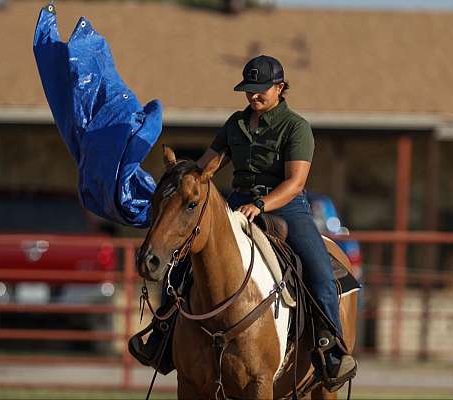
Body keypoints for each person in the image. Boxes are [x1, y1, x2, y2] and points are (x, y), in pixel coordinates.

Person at [131, 55, 357, 391]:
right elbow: (206, 167)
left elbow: (295, 182)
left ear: (279, 87)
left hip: (287, 208)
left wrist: (262, 204)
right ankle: (162, 335)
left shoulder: (296, 128)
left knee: (320, 270)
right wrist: (182, 176)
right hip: (237, 203)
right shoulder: (235, 124)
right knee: (182, 266)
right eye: (248, 89)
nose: (253, 96)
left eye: (260, 89)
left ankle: (329, 347)